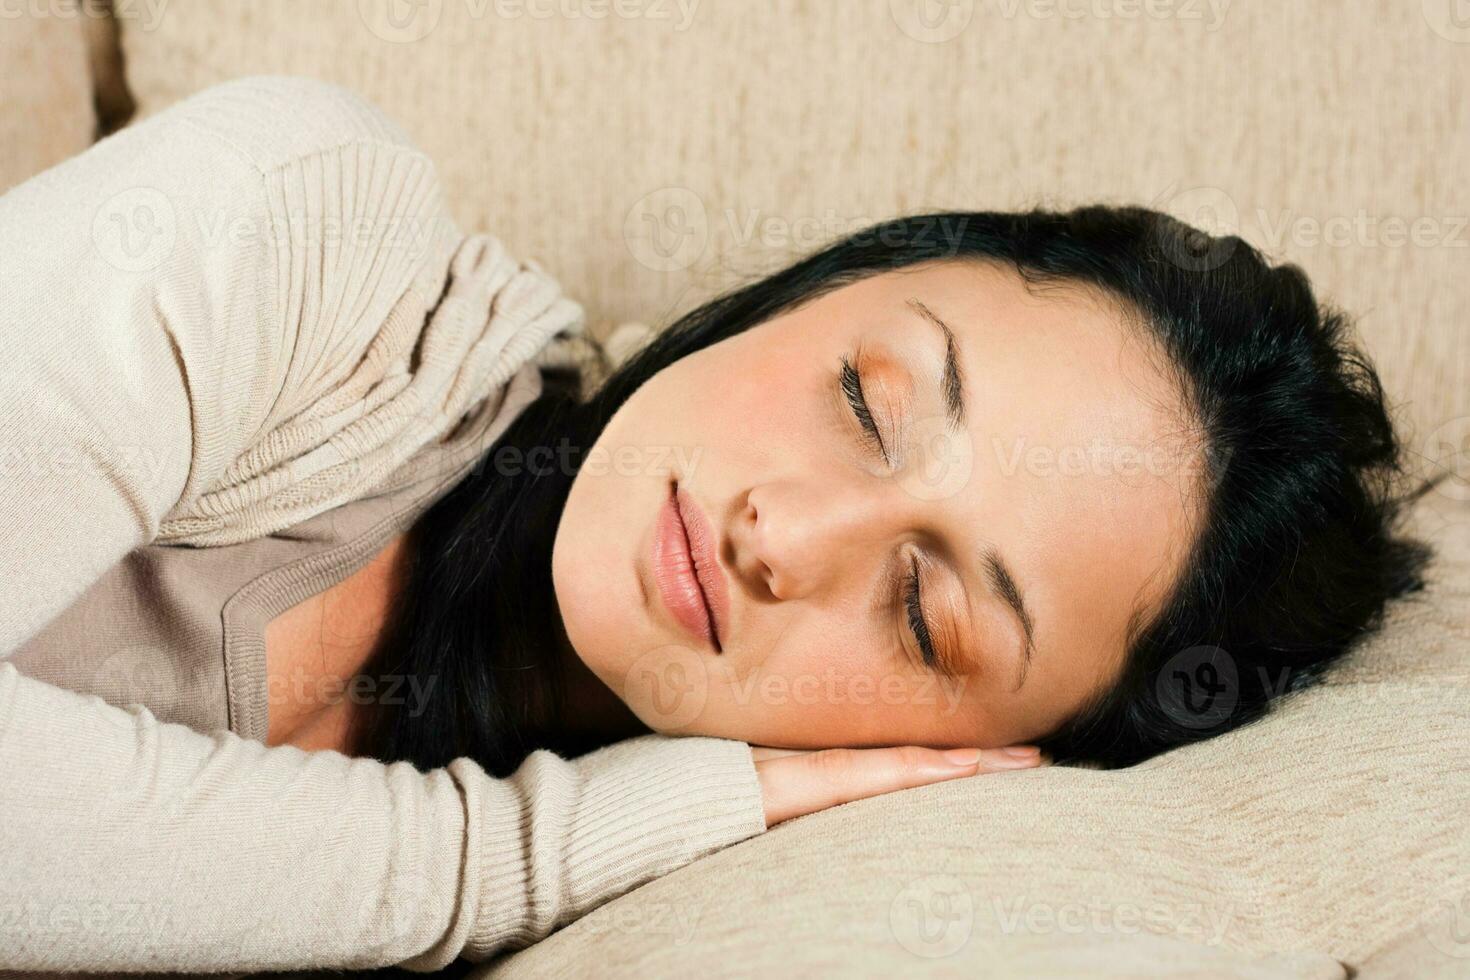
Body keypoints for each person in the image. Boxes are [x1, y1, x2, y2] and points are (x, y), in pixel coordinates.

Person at [0, 76, 1046, 975]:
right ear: (810, 292)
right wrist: (489, 864)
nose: (782, 534)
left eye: (921, 613)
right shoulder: (323, 224)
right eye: (867, 400)